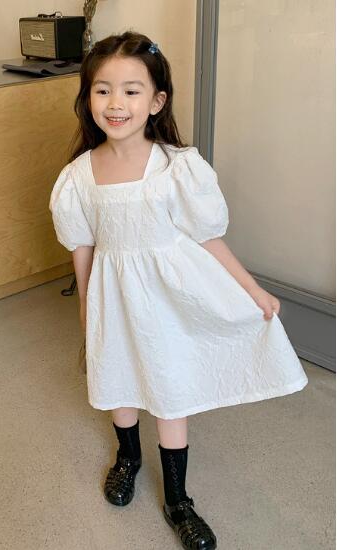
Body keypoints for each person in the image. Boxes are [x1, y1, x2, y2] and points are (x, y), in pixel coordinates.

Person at [48, 31, 308, 550]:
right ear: (87, 98)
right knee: (118, 382)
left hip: (167, 300)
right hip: (114, 300)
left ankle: (177, 500)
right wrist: (87, 312)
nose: (116, 103)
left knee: (169, 390)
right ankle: (128, 457)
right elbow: (83, 248)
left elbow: (208, 238)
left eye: (131, 90)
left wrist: (252, 290)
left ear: (156, 101)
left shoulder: (175, 167)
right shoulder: (78, 177)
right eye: (102, 90)